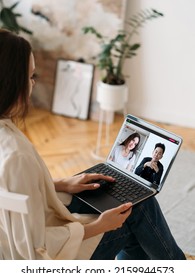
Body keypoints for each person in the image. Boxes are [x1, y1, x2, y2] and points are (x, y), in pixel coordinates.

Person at [0, 29, 186, 260]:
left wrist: (61, 183)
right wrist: (101, 225)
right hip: (49, 259)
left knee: (123, 196)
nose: (33, 84)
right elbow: (39, 249)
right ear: (11, 83)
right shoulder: (17, 156)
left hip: (20, 234)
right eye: (30, 76)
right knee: (137, 207)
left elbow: (17, 193)